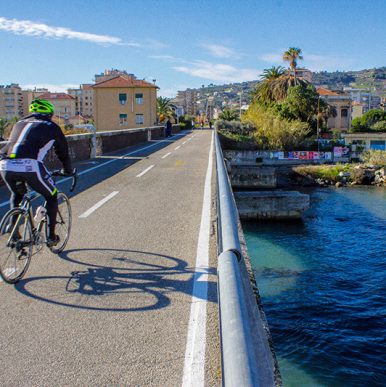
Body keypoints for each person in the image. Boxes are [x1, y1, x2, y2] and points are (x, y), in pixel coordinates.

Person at [0, 99, 74, 247]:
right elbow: (63, 152)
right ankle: (51, 237)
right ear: (49, 114)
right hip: (29, 165)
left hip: (5, 164)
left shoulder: (19, 123)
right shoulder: (52, 127)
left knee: (17, 194)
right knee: (52, 195)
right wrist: (68, 170)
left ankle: (13, 230)